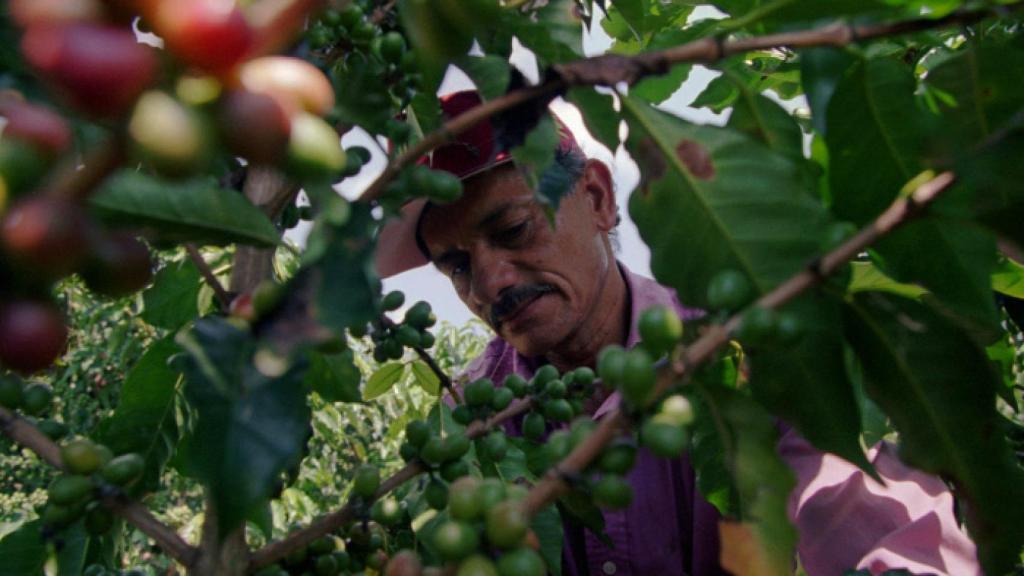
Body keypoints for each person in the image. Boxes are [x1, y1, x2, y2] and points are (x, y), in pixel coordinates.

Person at [375, 90, 980, 576]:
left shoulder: (738, 349)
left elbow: (869, 515)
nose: (490, 283)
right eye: (456, 266)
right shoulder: (473, 412)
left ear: (597, 197)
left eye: (513, 230)